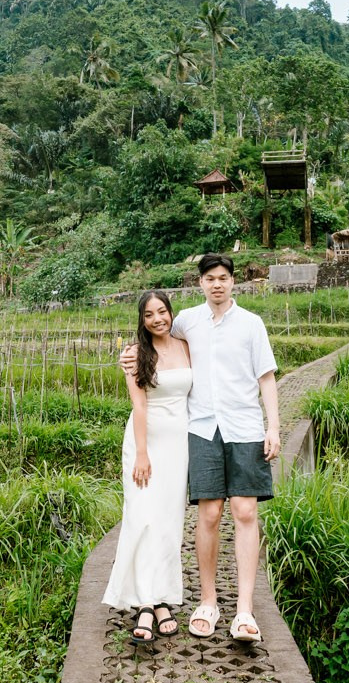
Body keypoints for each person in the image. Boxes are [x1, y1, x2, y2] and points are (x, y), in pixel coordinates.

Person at [119, 254, 279, 642]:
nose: (217, 284)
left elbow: (267, 377)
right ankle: (207, 601)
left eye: (223, 278)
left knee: (245, 511)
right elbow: (155, 341)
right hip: (203, 429)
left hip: (244, 428)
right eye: (210, 278)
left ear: (233, 282)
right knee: (208, 515)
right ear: (201, 283)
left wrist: (273, 426)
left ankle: (244, 611)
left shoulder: (251, 325)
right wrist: (129, 353)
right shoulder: (188, 320)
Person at [101, 291, 190, 641]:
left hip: (178, 446)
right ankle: (144, 604)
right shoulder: (136, 354)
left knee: (169, 522)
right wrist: (141, 453)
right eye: (150, 314)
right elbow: (139, 406)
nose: (158, 319)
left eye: (163, 311)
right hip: (145, 444)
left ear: (171, 313)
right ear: (142, 320)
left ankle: (162, 598)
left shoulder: (186, 346)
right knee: (142, 519)